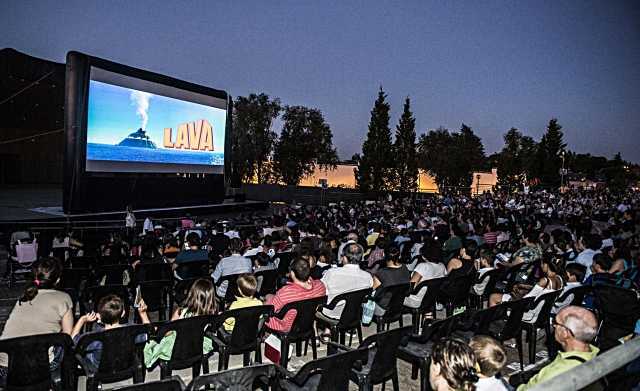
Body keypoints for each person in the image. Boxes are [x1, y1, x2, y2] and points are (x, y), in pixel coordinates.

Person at [0, 258, 73, 374]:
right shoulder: (63, 298)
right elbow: (67, 337)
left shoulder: (24, 296)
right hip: (41, 366)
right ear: (58, 280)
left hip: (6, 368)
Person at [138, 278, 216, 368]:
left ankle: (143, 315)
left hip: (177, 350)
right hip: (197, 346)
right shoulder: (212, 313)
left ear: (191, 294)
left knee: (154, 336)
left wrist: (145, 316)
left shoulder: (181, 311)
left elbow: (168, 331)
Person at [517, 306, 599, 390]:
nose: (554, 326)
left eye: (556, 323)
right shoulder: (594, 354)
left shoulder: (558, 373)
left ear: (565, 333)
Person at [71, 295, 131, 371]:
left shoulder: (93, 337)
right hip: (125, 364)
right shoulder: (131, 329)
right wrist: (143, 313)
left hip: (100, 367)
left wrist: (82, 320)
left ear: (99, 316)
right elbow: (147, 333)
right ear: (123, 313)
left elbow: (72, 341)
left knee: (82, 353)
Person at [265, 258, 326, 332]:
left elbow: (271, 310)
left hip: (287, 327)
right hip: (308, 323)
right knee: (270, 297)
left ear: (293, 273)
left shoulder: (286, 292)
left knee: (265, 303)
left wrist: (266, 301)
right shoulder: (320, 286)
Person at [319, 242, 373, 320]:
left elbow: (321, 291)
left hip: (332, 312)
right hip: (355, 313)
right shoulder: (368, 277)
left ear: (344, 258)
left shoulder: (332, 273)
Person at [404, 243, 447, 308]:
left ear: (424, 256)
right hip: (432, 299)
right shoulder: (442, 266)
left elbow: (411, 288)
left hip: (416, 300)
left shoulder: (423, 266)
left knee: (392, 295)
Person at [372, 245, 411, 316]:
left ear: (384, 255)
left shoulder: (382, 272)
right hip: (399, 305)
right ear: (399, 255)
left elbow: (372, 290)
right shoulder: (405, 268)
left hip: (383, 308)